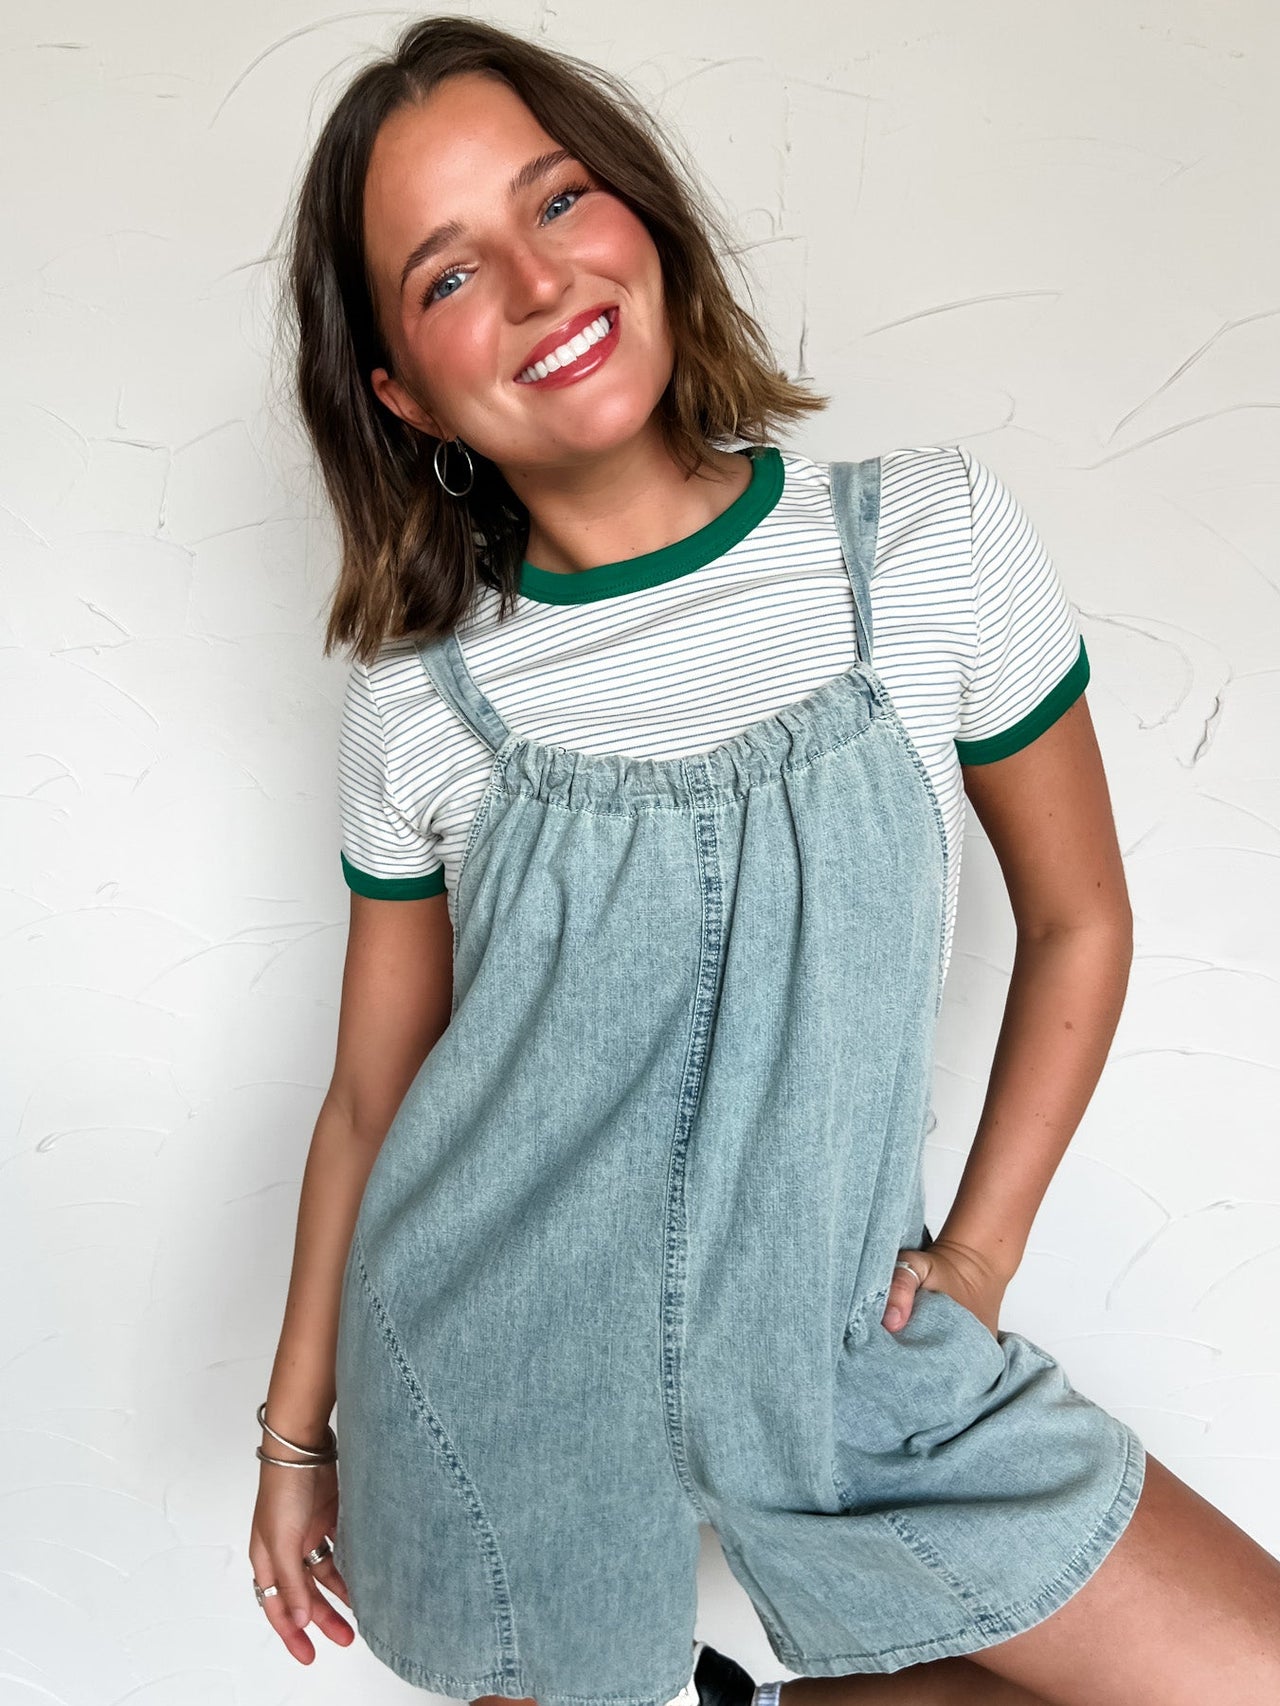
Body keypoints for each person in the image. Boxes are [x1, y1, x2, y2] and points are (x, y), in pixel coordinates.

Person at [248, 16, 1280, 1706]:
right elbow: (374, 1098)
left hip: (846, 1365)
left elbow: (1082, 918)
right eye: (445, 278)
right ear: (399, 388)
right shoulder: (421, 701)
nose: (534, 282)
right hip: (508, 1389)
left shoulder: (927, 540)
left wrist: (982, 1258)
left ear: (641, 218)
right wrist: (298, 1439)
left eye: (560, 198)